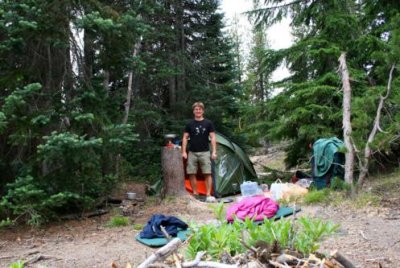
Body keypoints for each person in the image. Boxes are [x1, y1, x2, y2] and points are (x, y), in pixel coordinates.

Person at [182, 102, 217, 203]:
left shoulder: (208, 123)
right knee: (191, 173)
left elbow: (213, 137)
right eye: (196, 109)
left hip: (205, 152)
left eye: (200, 109)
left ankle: (208, 194)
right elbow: (185, 137)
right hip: (192, 152)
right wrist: (183, 151)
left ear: (203, 111)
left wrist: (214, 151)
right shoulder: (189, 124)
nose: (198, 111)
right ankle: (195, 194)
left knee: (207, 172)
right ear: (193, 111)